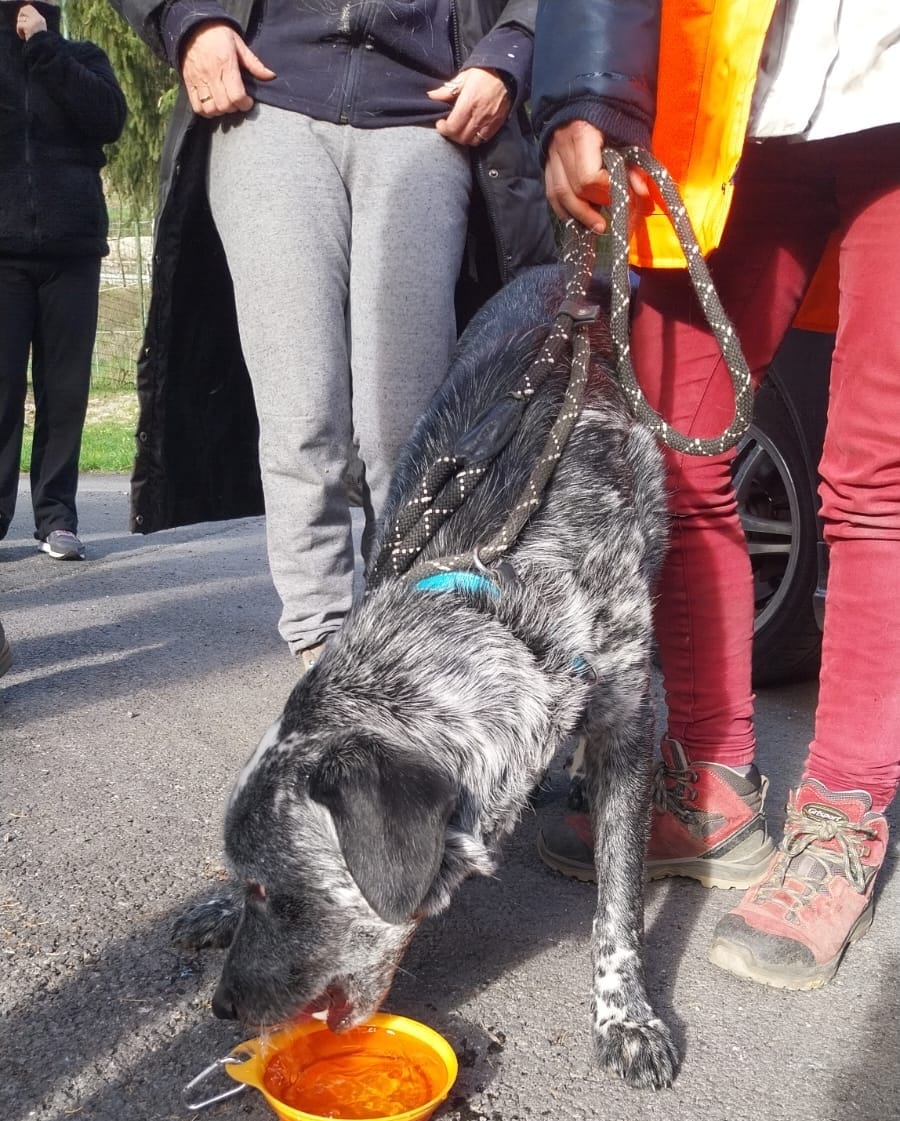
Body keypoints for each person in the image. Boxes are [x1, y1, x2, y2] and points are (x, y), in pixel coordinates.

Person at [530, 0, 900, 991]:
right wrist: (584, 89)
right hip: (740, 106)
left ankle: (841, 815)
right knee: (669, 443)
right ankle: (712, 787)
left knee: (877, 479)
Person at [110, 0, 555, 668]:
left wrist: (514, 48)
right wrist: (187, 21)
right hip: (268, 103)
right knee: (301, 411)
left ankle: (405, 636)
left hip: (425, 111)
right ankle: (321, 646)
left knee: (402, 431)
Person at [0, 0, 126, 560]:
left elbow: (108, 120)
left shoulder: (81, 57)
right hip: (2, 255)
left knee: (65, 392)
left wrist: (46, 48)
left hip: (72, 250)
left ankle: (56, 518)